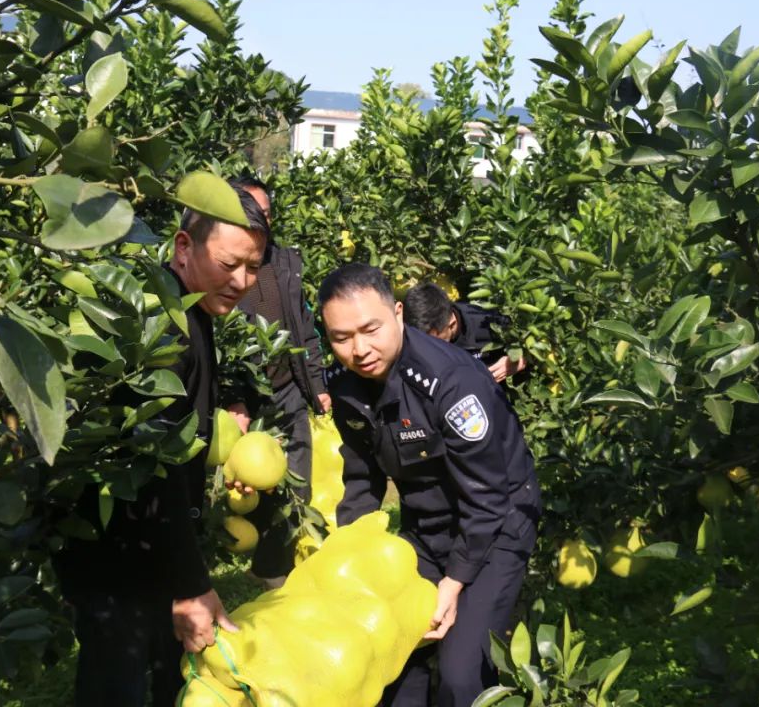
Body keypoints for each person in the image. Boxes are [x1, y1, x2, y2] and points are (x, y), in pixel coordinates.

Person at [53, 187, 270, 707]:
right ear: (182, 247)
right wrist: (189, 585)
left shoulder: (187, 311)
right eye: (229, 264)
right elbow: (155, 470)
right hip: (120, 560)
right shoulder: (164, 331)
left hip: (144, 554)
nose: (242, 282)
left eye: (254, 267)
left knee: (161, 680)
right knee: (117, 687)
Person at [319, 263, 541, 707]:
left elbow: (486, 498)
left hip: (496, 525)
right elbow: (362, 480)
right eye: (341, 338)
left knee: (461, 676)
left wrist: (452, 584)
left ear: (398, 313)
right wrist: (350, 558)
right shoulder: (348, 389)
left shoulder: (451, 382)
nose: (359, 349)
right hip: (427, 527)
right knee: (391, 656)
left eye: (371, 329)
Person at [225, 176, 331, 587]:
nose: (262, 222)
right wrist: (234, 398)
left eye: (267, 214)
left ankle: (272, 570)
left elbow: (304, 326)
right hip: (245, 395)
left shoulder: (286, 261)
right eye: (253, 214)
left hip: (287, 387)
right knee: (243, 486)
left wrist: (317, 382)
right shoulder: (223, 269)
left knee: (295, 483)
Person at [402, 282, 525, 383]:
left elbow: (531, 342)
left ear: (452, 324)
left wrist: (517, 360)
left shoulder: (489, 322)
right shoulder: (409, 336)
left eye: (432, 341)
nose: (426, 348)